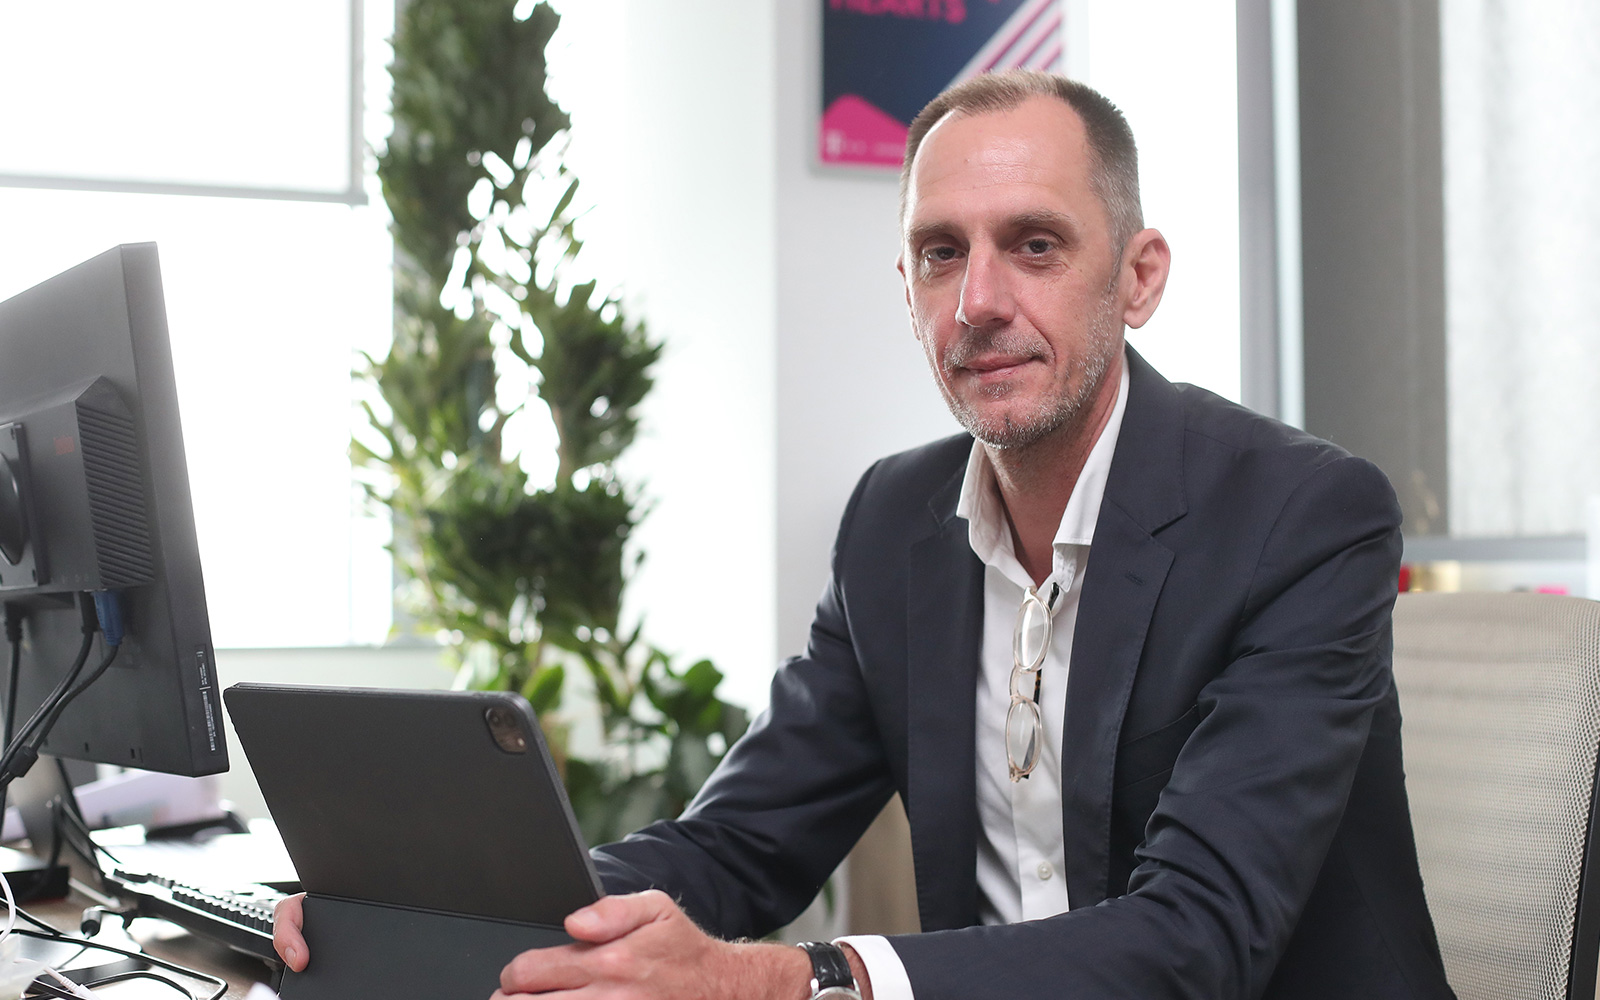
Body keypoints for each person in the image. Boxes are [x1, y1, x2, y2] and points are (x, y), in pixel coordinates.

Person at [274, 71, 1454, 1000]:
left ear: (1137, 278)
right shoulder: (895, 523)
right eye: (941, 253)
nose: (978, 301)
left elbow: (1198, 937)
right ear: (906, 284)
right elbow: (739, 845)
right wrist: (435, 906)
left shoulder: (1300, 516)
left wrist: (792, 979)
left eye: (1034, 245)